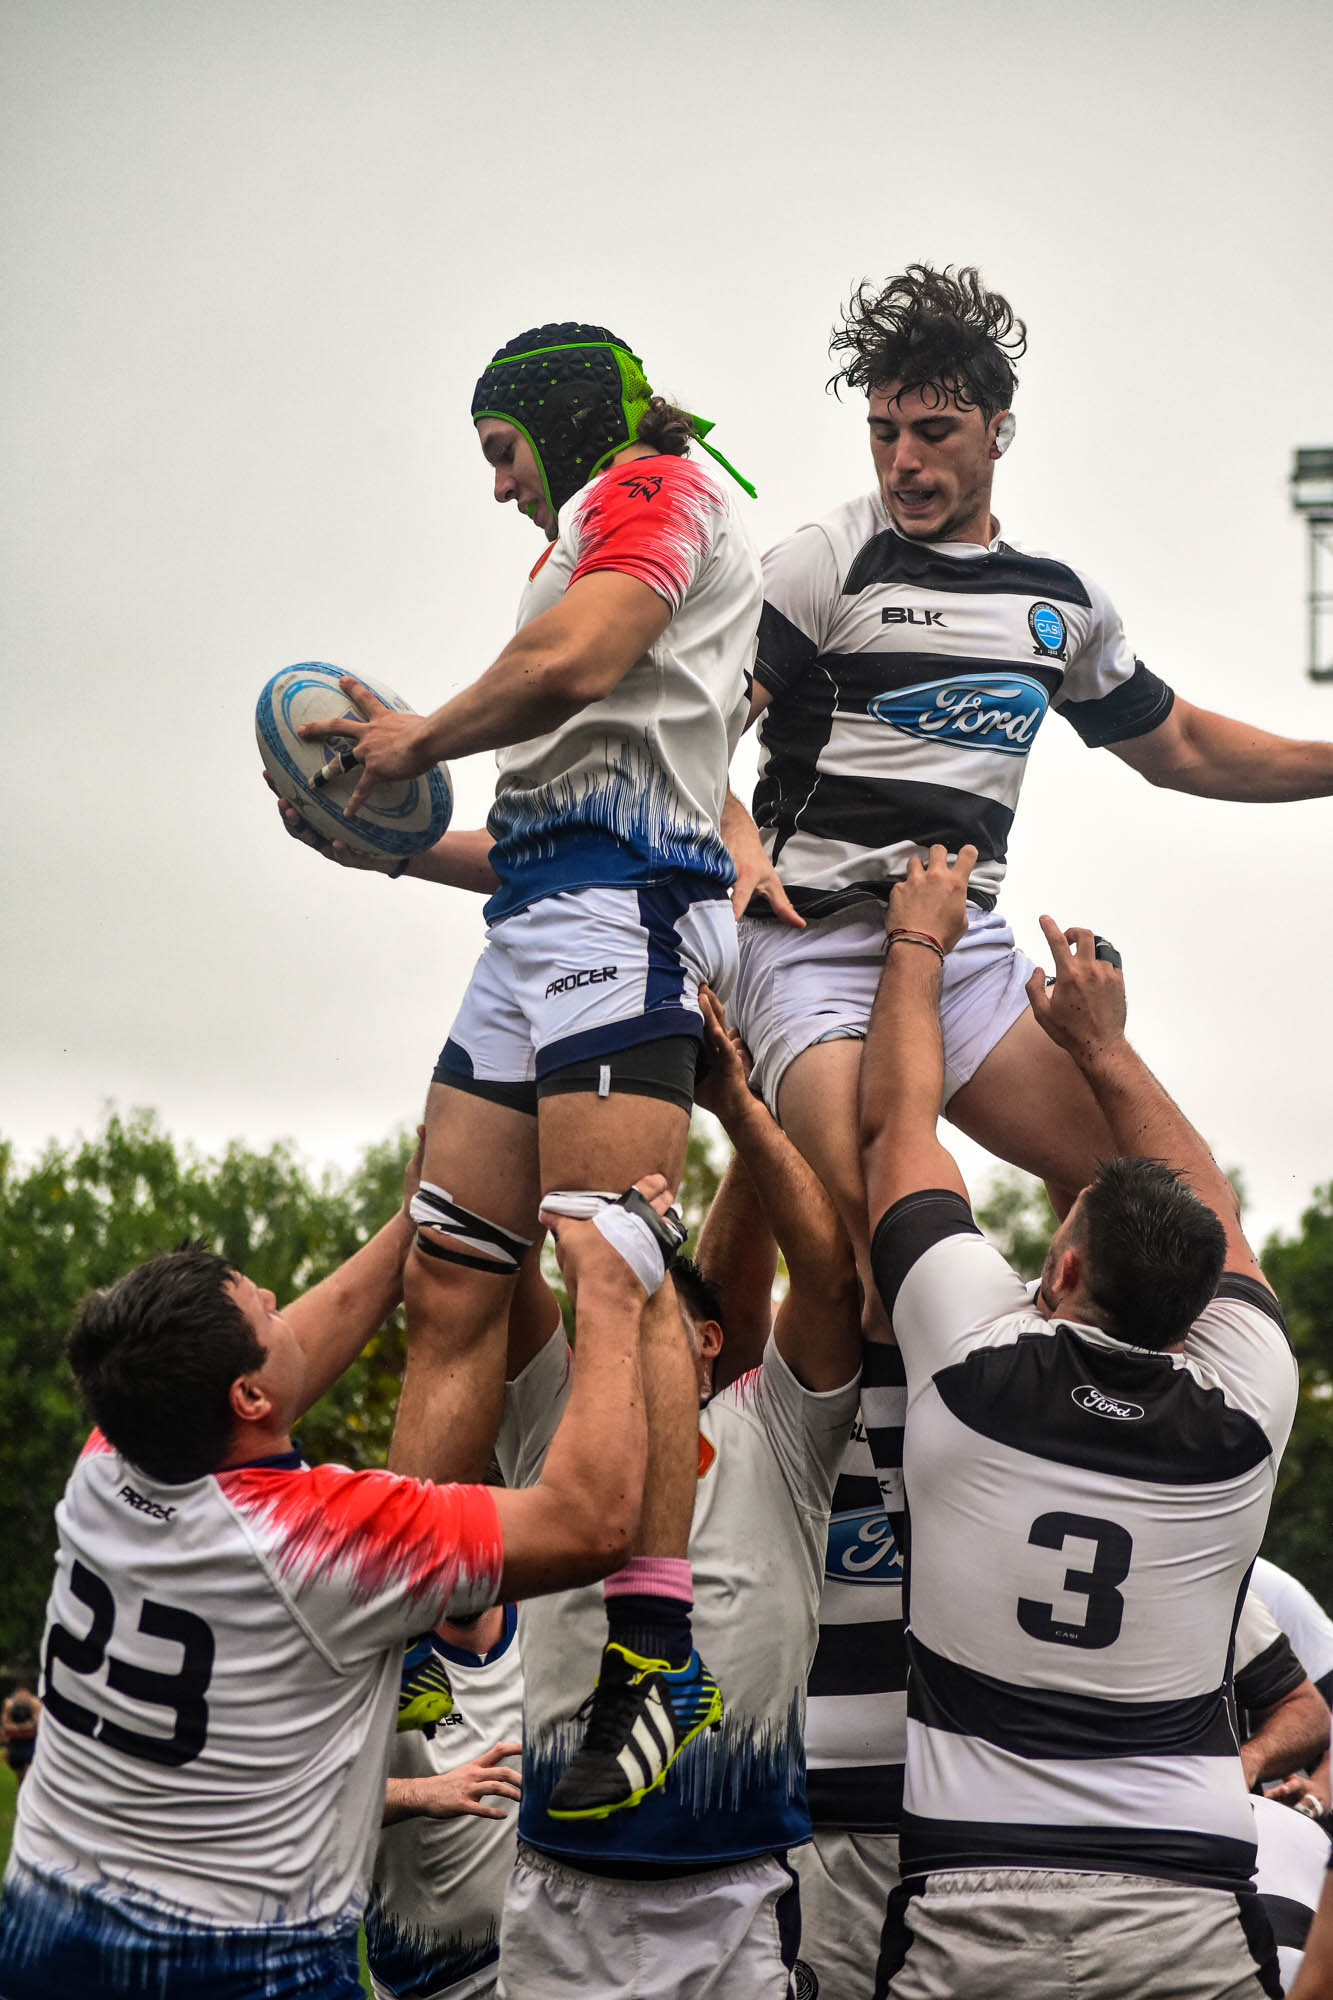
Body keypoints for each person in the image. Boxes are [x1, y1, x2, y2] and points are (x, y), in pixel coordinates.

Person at [293, 321, 763, 1818]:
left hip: (631, 910)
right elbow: (546, 800)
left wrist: (418, 728)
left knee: (618, 1277)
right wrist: (382, 839)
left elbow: (584, 662)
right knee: (454, 1284)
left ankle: (652, 1641)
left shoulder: (650, 491)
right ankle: (416, 1625)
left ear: (555, 425)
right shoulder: (586, 519)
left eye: (503, 452)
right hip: (539, 916)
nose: (499, 488)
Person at [729, 262, 1333, 1323]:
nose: (903, 461)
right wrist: (733, 834)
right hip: (813, 952)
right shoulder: (822, 561)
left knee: (1173, 1222)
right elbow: (689, 739)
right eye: (883, 432)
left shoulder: (1057, 603)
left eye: (934, 432)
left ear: (998, 430)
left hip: (961, 961)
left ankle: (1078, 1442)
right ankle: (858, 1478)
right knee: (893, 1242)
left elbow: (1180, 742)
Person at [0, 1135, 676, 2000]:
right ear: (246, 1396)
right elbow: (592, 1523)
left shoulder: (111, 1455)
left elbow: (285, 1363)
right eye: (264, 1310)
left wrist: (419, 1221)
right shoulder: (326, 1538)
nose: (285, 1302)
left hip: (44, 1923)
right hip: (239, 1965)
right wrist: (613, 1295)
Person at [857, 844, 1298, 1999]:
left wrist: (914, 940)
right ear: (1204, 1309)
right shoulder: (1246, 1408)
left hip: (972, 1895)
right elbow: (1212, 1195)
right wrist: (1104, 1047)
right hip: (1186, 1903)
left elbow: (898, 1133)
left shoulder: (967, 1370)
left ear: (1057, 1267)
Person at [492, 991, 862, 1997]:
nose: (620, 1323)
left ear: (705, 1342)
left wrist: (739, 1104)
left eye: (650, 1305)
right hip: (556, 1893)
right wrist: (567, 1051)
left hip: (732, 1899)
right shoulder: (550, 1426)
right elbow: (497, 1266)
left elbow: (827, 1281)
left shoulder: (775, 1434)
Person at [366, 1607, 523, 2000]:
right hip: (426, 1980)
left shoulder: (546, 1633)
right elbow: (316, 1798)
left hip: (537, 1961)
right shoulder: (373, 1656)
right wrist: (422, 1793)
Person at [0, 1690, 41, 1790]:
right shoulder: (9, 1705)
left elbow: (36, 1725)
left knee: (28, 1773)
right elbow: (6, 1726)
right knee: (19, 1777)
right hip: (15, 1745)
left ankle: (28, 1794)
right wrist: (25, 1727)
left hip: (30, 1744)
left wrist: (16, 1728)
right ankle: (21, 1795)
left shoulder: (35, 1704)